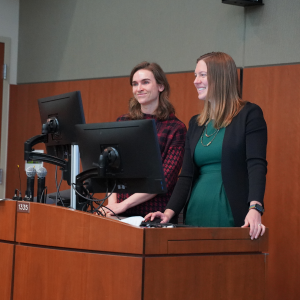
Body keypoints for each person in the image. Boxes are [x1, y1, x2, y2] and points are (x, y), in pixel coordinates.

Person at [145, 52, 267, 240]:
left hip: (229, 211)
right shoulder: (196, 123)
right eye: (195, 75)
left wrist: (255, 207)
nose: (195, 81)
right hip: (195, 211)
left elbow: (256, 165)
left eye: (202, 75)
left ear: (220, 77)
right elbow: (186, 176)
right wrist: (168, 213)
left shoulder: (249, 114)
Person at [104, 61, 187, 218]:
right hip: (118, 212)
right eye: (135, 84)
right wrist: (112, 205)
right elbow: (111, 171)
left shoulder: (176, 128)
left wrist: (123, 205)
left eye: (145, 82)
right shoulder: (122, 122)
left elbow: (164, 179)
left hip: (154, 215)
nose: (139, 88)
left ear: (160, 86)